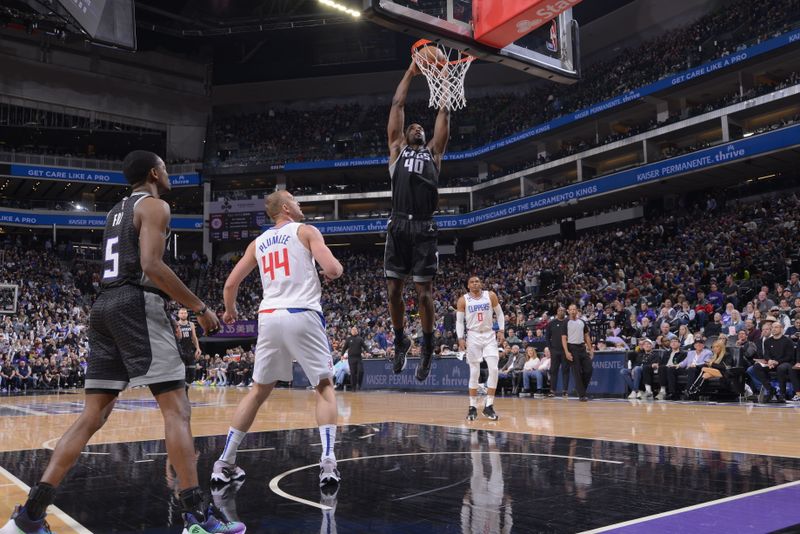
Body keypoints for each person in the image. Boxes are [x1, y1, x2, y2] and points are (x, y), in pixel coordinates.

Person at [0, 151, 243, 534]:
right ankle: (198, 516)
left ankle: (29, 517)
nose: (168, 174)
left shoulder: (114, 211)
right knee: (177, 410)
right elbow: (151, 265)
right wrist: (198, 307)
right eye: (164, 168)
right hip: (136, 304)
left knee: (90, 417)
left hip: (104, 305)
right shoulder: (156, 206)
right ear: (153, 173)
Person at [210, 190, 344, 492]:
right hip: (302, 312)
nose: (300, 205)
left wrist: (230, 311)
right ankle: (327, 462)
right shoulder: (306, 231)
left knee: (257, 392)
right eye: (296, 201)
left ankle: (224, 462)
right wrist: (334, 269)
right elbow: (333, 270)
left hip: (268, 316)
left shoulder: (257, 243)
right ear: (286, 207)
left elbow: (231, 283)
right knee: (323, 387)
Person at [384, 59, 450, 382]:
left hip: (424, 227)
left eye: (419, 129)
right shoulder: (396, 150)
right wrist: (410, 71)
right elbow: (398, 103)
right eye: (412, 127)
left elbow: (444, 114)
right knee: (393, 290)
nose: (416, 128)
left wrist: (445, 82)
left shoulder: (434, 153)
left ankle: (426, 346)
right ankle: (400, 339)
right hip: (398, 225)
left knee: (424, 294)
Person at [456, 276, 504, 421]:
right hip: (473, 335)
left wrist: (501, 330)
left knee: (494, 369)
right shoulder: (463, 299)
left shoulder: (490, 295)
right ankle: (472, 407)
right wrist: (460, 338)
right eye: (472, 282)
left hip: (489, 334)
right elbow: (459, 321)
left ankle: (489, 405)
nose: (475, 283)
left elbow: (500, 313)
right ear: (468, 285)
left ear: (481, 283)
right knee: (474, 371)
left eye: (477, 281)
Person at [562, 304, 594, 401]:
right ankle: (582, 395)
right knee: (577, 372)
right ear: (568, 311)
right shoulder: (565, 322)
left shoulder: (582, 322)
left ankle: (580, 389)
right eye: (570, 309)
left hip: (582, 347)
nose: (572, 311)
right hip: (571, 347)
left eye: (574, 309)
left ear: (577, 311)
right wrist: (567, 352)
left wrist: (591, 349)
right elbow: (563, 338)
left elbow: (587, 336)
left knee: (589, 369)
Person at [545, 306, 570, 397]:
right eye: (559, 310)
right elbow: (547, 337)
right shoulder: (551, 323)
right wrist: (550, 349)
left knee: (565, 370)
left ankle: (565, 391)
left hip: (565, 351)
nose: (561, 312)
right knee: (553, 371)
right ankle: (552, 390)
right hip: (555, 351)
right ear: (557, 312)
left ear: (565, 312)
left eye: (563, 310)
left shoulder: (568, 322)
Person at [175, 308, 202, 388]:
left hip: (189, 350)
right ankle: (182, 390)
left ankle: (186, 387)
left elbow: (194, 337)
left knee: (192, 373)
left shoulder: (191, 324)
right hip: (180, 351)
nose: (183, 314)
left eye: (185, 313)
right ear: (178, 315)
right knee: (182, 372)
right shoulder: (176, 324)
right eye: (182, 313)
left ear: (187, 314)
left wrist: (198, 348)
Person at [342, 326, 366, 392]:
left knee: (361, 371)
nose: (354, 331)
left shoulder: (360, 339)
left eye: (355, 330)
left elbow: (365, 346)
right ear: (351, 331)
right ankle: (353, 388)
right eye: (353, 330)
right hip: (351, 358)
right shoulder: (348, 339)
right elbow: (344, 348)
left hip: (358, 358)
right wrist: (342, 355)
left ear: (357, 331)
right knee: (352, 373)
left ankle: (359, 384)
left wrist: (368, 352)